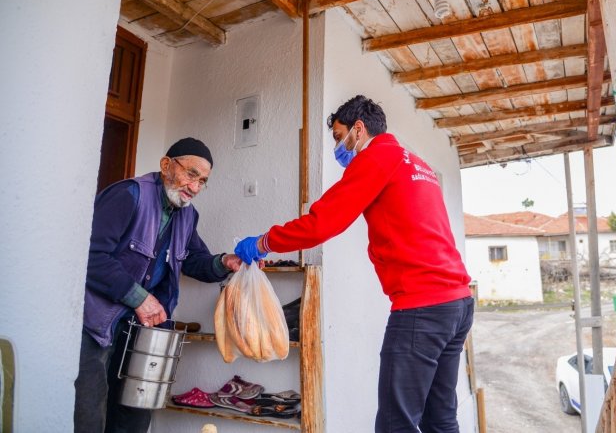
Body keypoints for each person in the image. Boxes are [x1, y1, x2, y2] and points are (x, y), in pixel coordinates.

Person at [235, 95, 474, 433]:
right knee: (440, 417)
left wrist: (262, 243)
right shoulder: (414, 162)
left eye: (338, 136)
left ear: (358, 130)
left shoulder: (378, 156)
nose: (338, 147)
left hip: (424, 307)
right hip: (457, 303)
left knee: (397, 424)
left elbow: (322, 224)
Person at [74, 137, 243, 433]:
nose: (195, 187)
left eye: (203, 181)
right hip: (98, 327)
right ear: (166, 165)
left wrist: (224, 262)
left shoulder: (187, 215)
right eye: (191, 174)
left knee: (134, 417)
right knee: (90, 416)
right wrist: (140, 298)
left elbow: (194, 260)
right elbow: (90, 256)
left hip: (140, 333)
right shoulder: (129, 194)